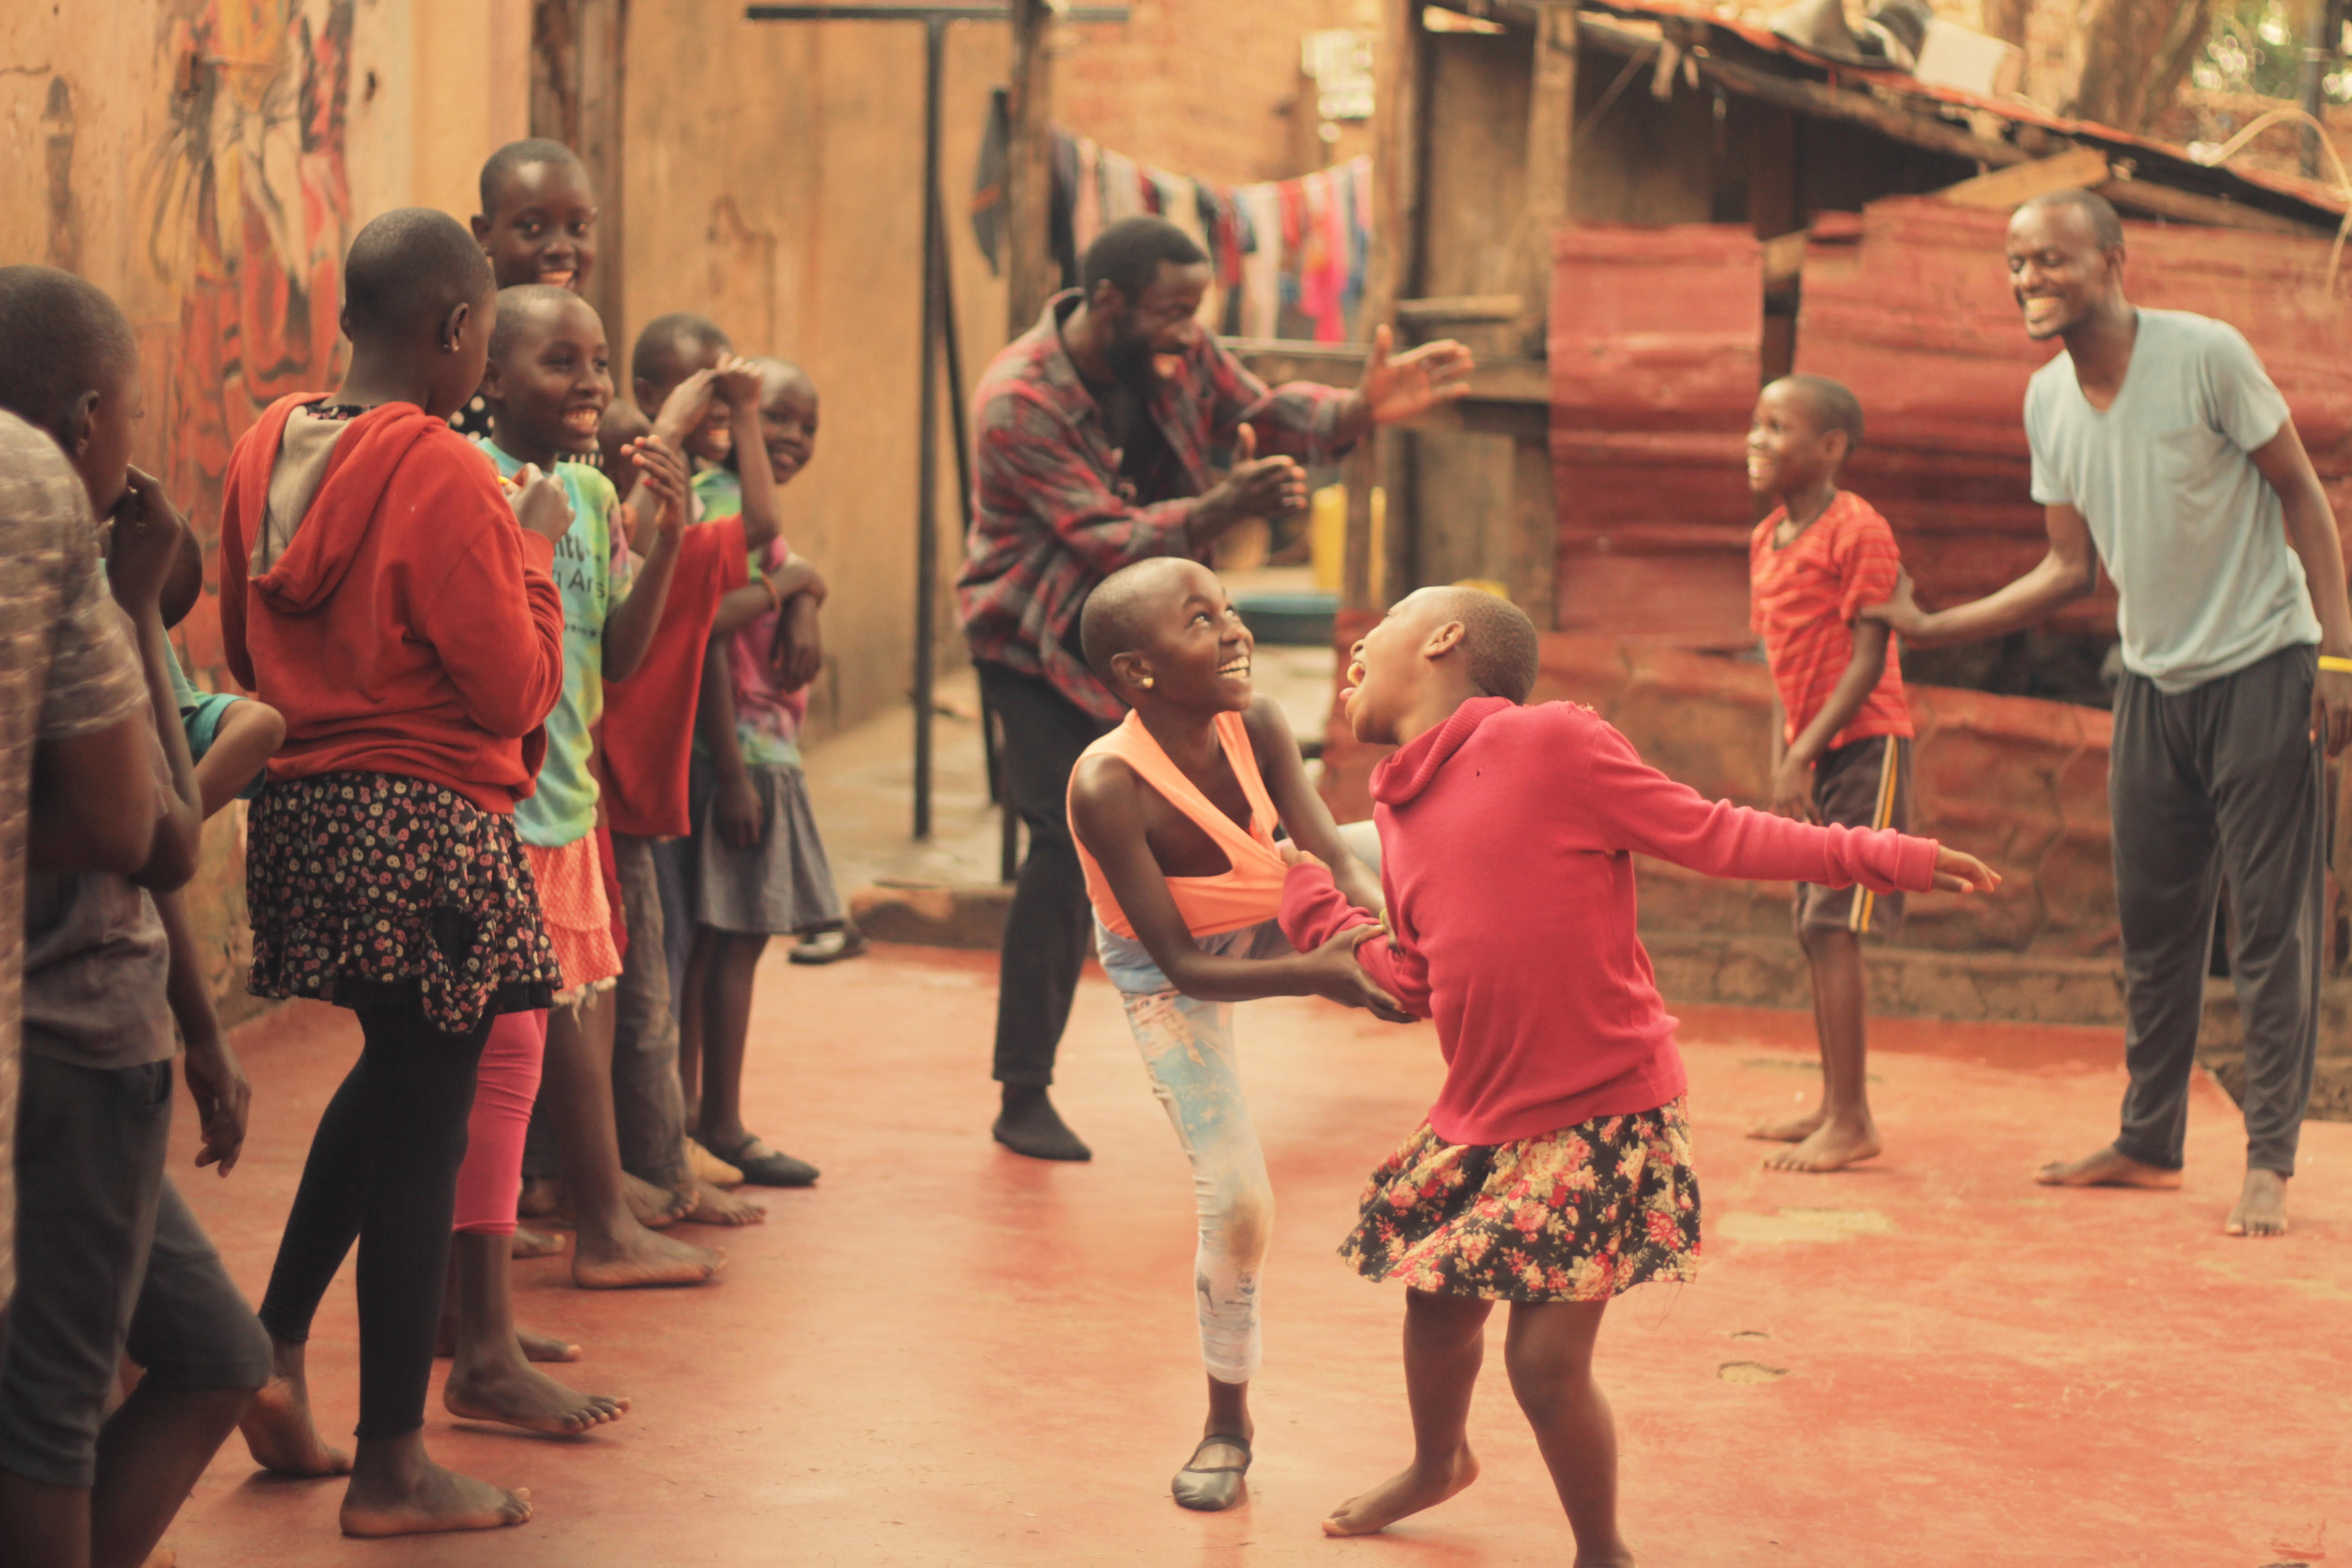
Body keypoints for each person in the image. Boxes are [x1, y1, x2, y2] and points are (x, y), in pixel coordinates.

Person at [1284, 586, 1998, 1556]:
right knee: (1436, 1307)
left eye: (1383, 626)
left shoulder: (1552, 742)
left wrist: (1886, 855)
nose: (1357, 645)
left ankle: (1602, 1551)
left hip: (1603, 1107)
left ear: (1445, 638)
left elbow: (1718, 833)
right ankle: (1437, 1461)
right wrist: (1313, 905)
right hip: (1483, 1115)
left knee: (1543, 1364)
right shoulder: (1397, 807)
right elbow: (1414, 980)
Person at [1865, 188, 2352, 1240]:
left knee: (2269, 923)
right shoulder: (2046, 401)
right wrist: (1932, 626)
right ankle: (2148, 1139)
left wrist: (2337, 652)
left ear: (2113, 262)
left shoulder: (2206, 355)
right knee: (2154, 923)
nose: (2028, 279)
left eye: (2051, 258)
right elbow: (2067, 568)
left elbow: (2301, 496)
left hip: (2263, 663)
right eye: (2015, 263)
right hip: (2150, 681)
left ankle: (2269, 1157)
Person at [960, 214, 1475, 1161]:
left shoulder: (1176, 350)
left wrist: (1357, 410)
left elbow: (1266, 408)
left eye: (1195, 310)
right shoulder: (1018, 401)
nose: (1188, 331)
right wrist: (1218, 506)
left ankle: (1234, 936)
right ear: (1107, 303)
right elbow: (1099, 536)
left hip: (1168, 646)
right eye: (1171, 311)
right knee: (1057, 849)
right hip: (1037, 640)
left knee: (1251, 826)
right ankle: (1021, 1088)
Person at [219, 208, 566, 1537]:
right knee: (430, 1128)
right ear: (461, 329)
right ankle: (392, 1466)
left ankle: (272, 1343)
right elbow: (515, 688)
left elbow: (245, 651)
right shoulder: (445, 470)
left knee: (398, 1075)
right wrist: (535, 550)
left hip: (305, 813)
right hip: (426, 825)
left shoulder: (265, 441)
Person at [0, 265, 272, 1568]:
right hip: (76, 1046)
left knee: (218, 1351)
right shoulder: (57, 542)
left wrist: (205, 1036)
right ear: (88, 421)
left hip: (92, 1038)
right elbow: (156, 830)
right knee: (52, 1415)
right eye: (136, 415)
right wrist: (133, 598)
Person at [1067, 556, 1402, 1511]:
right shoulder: (1107, 786)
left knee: (1425, 839)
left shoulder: (1253, 721)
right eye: (1200, 620)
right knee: (1240, 1203)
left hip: (1273, 891)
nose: (1234, 631)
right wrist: (1324, 972)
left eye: (1229, 609)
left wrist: (1381, 943)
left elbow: (1332, 853)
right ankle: (1226, 1424)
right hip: (1174, 967)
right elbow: (1181, 964)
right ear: (1136, 671)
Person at [1742, 375, 1913, 1172]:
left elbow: (1868, 657)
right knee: (1810, 928)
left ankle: (1852, 1119)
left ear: (1830, 447)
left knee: (1830, 925)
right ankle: (1830, 1102)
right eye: (1755, 424)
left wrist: (1802, 749)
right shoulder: (1766, 539)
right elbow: (1783, 658)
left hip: (1865, 745)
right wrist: (1789, 753)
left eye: (1776, 427)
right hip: (1811, 753)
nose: (1756, 439)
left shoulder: (1859, 529)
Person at [678, 357, 841, 1187]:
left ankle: (699, 1117)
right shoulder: (718, 502)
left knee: (721, 944)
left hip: (760, 750)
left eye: (806, 426)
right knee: (729, 945)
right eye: (774, 417)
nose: (792, 438)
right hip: (737, 754)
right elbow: (703, 623)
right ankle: (714, 1122)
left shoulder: (742, 510)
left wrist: (800, 589)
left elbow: (772, 582)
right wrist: (737, 772)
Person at [449, 138, 599, 440]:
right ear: (485, 234)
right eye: (532, 227)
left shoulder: (591, 350)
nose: (561, 248)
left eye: (578, 228)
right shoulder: (457, 363)